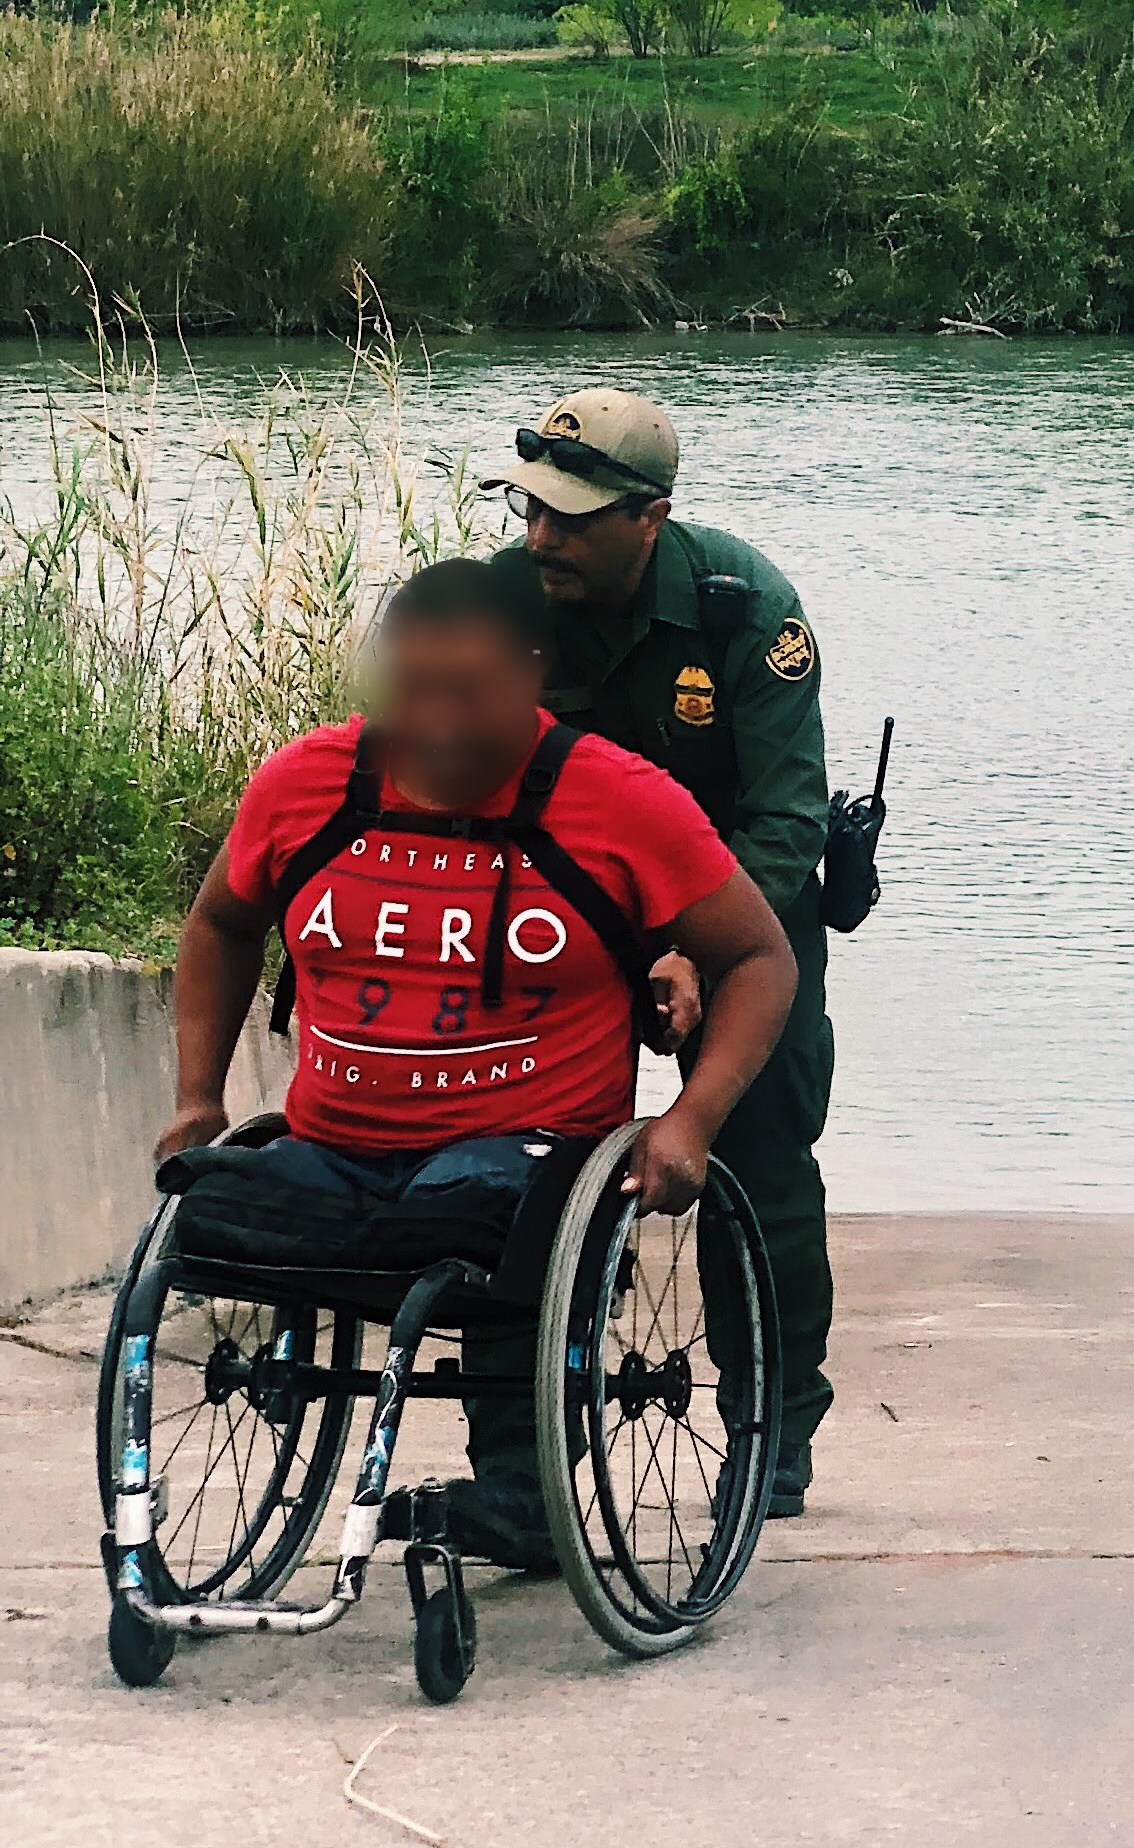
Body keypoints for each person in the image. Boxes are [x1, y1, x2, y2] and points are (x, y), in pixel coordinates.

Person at [157, 559, 795, 1568]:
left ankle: (519, 1494)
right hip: (334, 1149)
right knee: (213, 1201)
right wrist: (197, 1097)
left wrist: (693, 1119)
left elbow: (761, 959)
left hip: (525, 1158)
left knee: (492, 1211)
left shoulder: (622, 801)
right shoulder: (306, 782)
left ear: (534, 675)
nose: (440, 723)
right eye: (416, 691)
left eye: (470, 694)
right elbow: (222, 922)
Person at [482, 385, 840, 1516]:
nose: (543, 537)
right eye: (532, 509)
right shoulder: (500, 601)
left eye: (575, 519)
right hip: (566, 910)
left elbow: (788, 820)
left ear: (651, 516)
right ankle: (523, 1438)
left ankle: (771, 1421)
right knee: (502, 1157)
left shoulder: (748, 611)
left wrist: (696, 945)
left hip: (739, 915)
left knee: (760, 1154)